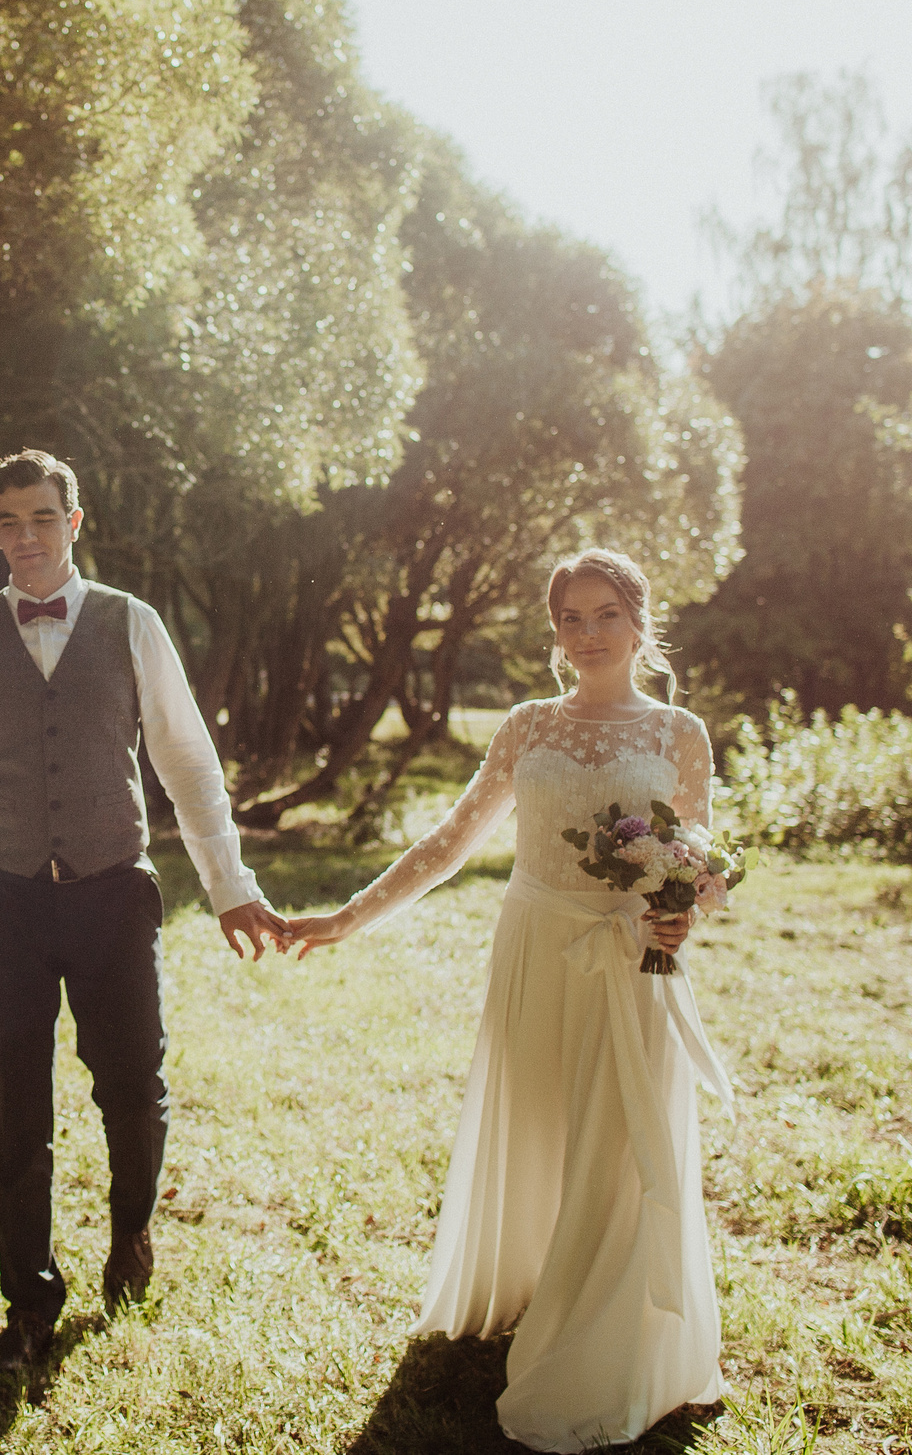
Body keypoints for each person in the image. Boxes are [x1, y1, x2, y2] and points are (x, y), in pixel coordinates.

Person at [282, 548, 731, 1451]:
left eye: (607, 614)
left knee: (617, 1145)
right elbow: (450, 842)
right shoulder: (528, 726)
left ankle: (606, 1336)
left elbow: (699, 858)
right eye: (572, 617)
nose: (589, 632)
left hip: (630, 957)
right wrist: (349, 917)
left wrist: (686, 911)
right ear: (555, 632)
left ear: (640, 624)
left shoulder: (680, 731)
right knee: (537, 1125)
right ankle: (531, 1283)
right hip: (534, 947)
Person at [0, 449, 292, 1372]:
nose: (23, 537)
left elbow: (187, 761)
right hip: (0, 898)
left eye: (40, 518)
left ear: (75, 522)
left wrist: (230, 886)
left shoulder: (131, 623)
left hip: (114, 890)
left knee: (131, 1087)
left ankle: (131, 1238)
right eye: (6, 521)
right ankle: (28, 1298)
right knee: (15, 1105)